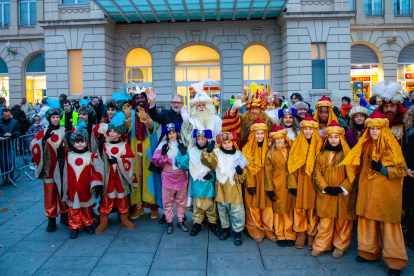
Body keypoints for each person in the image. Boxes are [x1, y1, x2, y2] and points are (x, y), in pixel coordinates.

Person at [340, 109, 408, 276]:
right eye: (371, 128)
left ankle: (395, 263)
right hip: (367, 190)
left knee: (390, 228)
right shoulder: (365, 144)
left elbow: (401, 170)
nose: (374, 131)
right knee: (367, 222)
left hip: (386, 193)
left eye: (377, 128)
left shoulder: (392, 145)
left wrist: (383, 169)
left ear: (383, 129)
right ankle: (369, 253)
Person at [311, 120, 356, 259]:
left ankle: (340, 246)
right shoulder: (322, 154)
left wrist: (342, 187)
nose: (333, 140)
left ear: (341, 138)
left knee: (343, 222)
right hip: (327, 192)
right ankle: (321, 245)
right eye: (330, 137)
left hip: (342, 194)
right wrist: (325, 187)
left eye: (336, 137)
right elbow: (317, 172)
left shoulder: (347, 154)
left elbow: (352, 173)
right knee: (325, 221)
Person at [94, 111, 137, 234]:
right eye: (110, 131)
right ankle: (104, 223)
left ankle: (124, 219)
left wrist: (118, 160)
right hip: (108, 178)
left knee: (122, 198)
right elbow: (97, 161)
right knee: (106, 199)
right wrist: (101, 152)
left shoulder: (124, 146)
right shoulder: (104, 146)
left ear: (120, 133)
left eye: (114, 132)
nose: (111, 134)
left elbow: (130, 159)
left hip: (120, 179)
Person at [201, 132, 247, 246]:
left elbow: (244, 172)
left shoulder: (239, 154)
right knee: (222, 208)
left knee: (237, 210)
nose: (227, 145)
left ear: (233, 142)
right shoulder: (217, 153)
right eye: (224, 143)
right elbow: (207, 161)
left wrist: (240, 173)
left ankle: (237, 231)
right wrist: (208, 151)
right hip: (221, 185)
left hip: (234, 185)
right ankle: (225, 228)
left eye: (229, 142)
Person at [30, 98, 68, 232]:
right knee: (50, 194)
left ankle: (64, 215)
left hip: (62, 167)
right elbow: (33, 146)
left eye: (58, 117)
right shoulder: (42, 132)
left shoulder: (65, 131)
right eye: (53, 117)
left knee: (63, 191)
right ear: (49, 118)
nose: (56, 119)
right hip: (49, 169)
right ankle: (51, 219)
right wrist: (43, 140)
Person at [287, 114, 322, 249]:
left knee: (312, 210)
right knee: (299, 208)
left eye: (310, 129)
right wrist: (293, 184)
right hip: (300, 179)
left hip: (313, 181)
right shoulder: (297, 143)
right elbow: (290, 165)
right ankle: (301, 233)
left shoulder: (319, 143)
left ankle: (312, 234)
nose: (308, 131)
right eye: (305, 129)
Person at [62, 124, 103, 239]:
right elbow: (63, 172)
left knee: (86, 207)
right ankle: (74, 226)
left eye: (82, 141)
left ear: (86, 142)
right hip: (73, 187)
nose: (79, 144)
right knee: (74, 208)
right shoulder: (68, 156)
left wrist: (97, 184)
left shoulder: (90, 156)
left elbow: (96, 170)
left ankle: (88, 223)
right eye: (77, 142)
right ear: (73, 143)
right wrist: (60, 160)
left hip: (86, 187)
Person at [129, 90, 162, 220]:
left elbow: (156, 126)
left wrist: (146, 119)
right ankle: (138, 207)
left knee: (150, 178)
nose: (140, 100)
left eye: (142, 97)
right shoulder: (130, 113)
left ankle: (153, 207)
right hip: (134, 151)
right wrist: (126, 119)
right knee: (136, 178)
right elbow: (127, 129)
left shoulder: (152, 112)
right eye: (137, 98)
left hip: (149, 151)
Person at [151, 123, 189, 234]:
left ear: (177, 133)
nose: (172, 135)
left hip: (181, 176)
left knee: (181, 200)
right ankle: (169, 222)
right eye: (169, 133)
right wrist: (162, 154)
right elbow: (156, 161)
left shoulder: (182, 143)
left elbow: (187, 162)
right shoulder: (163, 144)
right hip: (168, 177)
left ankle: (181, 220)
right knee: (168, 201)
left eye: (173, 133)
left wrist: (184, 154)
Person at [243, 117, 275, 243]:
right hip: (253, 180)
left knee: (267, 208)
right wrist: (250, 184)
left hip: (266, 181)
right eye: (258, 133)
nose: (260, 136)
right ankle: (255, 229)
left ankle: (268, 230)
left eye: (262, 133)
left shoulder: (270, 147)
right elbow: (246, 168)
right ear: (253, 134)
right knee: (253, 206)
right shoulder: (246, 148)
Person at [265, 124, 296, 247]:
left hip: (289, 184)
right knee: (278, 211)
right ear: (273, 140)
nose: (279, 141)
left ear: (284, 138)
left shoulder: (290, 149)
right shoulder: (270, 153)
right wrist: (270, 189)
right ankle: (279, 234)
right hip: (277, 184)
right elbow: (267, 173)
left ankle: (289, 233)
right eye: (277, 139)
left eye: (281, 138)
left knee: (288, 210)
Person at [185, 129, 220, 237]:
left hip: (208, 183)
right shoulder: (191, 151)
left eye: (203, 139)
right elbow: (186, 165)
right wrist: (182, 154)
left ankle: (213, 222)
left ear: (207, 139)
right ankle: (197, 223)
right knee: (197, 205)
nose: (200, 141)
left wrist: (211, 175)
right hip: (197, 182)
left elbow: (216, 166)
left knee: (210, 204)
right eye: (199, 139)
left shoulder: (212, 150)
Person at [402, 106, 414, 250]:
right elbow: (404, 152)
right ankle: (411, 236)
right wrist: (407, 169)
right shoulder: (408, 133)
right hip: (410, 172)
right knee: (411, 206)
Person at [0, 108, 21, 185]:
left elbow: (19, 131)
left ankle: (10, 177)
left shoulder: (14, 121)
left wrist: (13, 135)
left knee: (9, 161)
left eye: (8, 116)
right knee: (3, 162)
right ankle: (5, 178)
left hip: (10, 144)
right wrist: (3, 135)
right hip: (1, 145)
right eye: (5, 116)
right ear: (2, 115)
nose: (7, 117)